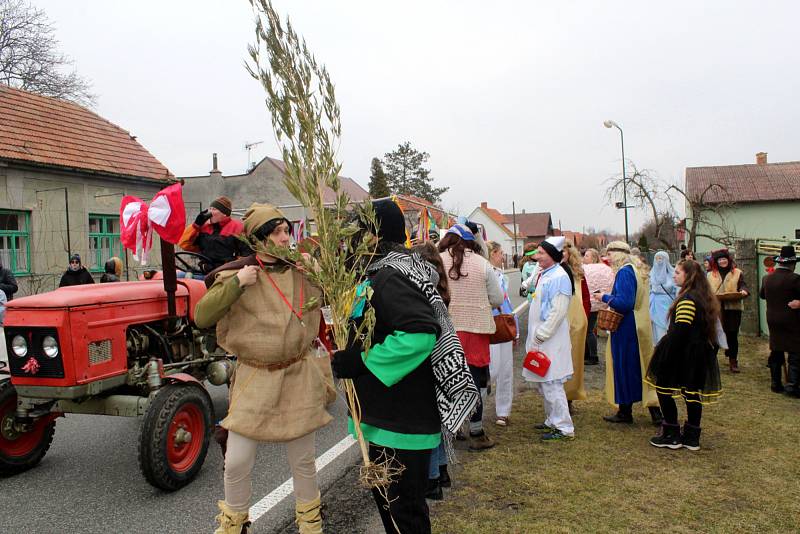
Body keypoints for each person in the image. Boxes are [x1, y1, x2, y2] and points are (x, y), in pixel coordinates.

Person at [333, 200, 478, 534]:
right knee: (396, 513)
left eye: (358, 231)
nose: (351, 240)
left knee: (404, 517)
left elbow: (419, 334)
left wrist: (363, 362)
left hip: (400, 421)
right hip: (389, 417)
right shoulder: (382, 272)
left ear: (374, 235)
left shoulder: (390, 276)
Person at [195, 203, 333, 534]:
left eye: (287, 230)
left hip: (297, 373)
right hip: (255, 375)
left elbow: (335, 296)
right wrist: (236, 284)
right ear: (259, 239)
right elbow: (202, 316)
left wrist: (320, 270)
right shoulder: (236, 275)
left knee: (303, 460)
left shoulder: (301, 270)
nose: (286, 238)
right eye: (278, 232)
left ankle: (310, 527)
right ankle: (234, 526)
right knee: (238, 460)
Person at [645, 259, 722, 451]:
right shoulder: (702, 296)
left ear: (689, 276)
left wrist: (666, 354)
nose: (674, 275)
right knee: (692, 392)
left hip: (685, 352)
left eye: (678, 272)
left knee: (663, 388)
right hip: (698, 352)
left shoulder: (688, 300)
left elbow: (681, 331)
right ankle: (691, 437)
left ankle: (672, 434)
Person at [439, 224, 503, 451]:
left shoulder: (438, 261)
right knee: (474, 381)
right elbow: (496, 298)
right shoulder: (481, 263)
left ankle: (452, 427)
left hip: (446, 330)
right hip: (476, 330)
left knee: (448, 380)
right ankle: (476, 430)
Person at [592, 241, 661, 425]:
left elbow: (624, 303)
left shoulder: (625, 272)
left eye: (609, 253)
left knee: (625, 367)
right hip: (640, 324)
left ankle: (628, 411)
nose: (607, 258)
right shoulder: (638, 270)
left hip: (627, 327)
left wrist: (604, 297)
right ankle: (649, 411)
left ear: (617, 254)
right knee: (642, 367)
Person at [522, 236, 575, 441]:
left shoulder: (559, 277)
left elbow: (558, 311)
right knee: (543, 381)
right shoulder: (545, 273)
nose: (537, 257)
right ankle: (552, 420)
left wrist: (542, 334)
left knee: (552, 381)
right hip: (541, 338)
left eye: (542, 254)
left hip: (549, 339)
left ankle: (563, 427)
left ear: (552, 255)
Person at [411, 240, 452, 501]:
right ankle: (443, 471)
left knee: (429, 423)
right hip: (443, 353)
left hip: (428, 355)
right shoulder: (442, 286)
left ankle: (433, 480)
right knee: (438, 420)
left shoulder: (421, 286)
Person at [759, 246, 800, 396]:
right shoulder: (795, 279)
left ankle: (775, 383)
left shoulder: (767, 278)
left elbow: (762, 295)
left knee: (776, 349)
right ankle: (792, 386)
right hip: (792, 320)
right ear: (792, 264)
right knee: (796, 353)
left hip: (772, 319)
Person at [487, 241, 517, 427]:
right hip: (489, 325)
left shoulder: (500, 274)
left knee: (506, 369)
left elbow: (507, 303)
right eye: (500, 253)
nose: (503, 256)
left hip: (504, 324)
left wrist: (515, 329)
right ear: (492, 253)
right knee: (492, 369)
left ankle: (503, 411)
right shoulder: (486, 273)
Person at [707, 249, 749, 373]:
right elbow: (706, 288)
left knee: (732, 335)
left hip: (733, 309)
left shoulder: (737, 272)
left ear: (728, 260)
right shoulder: (710, 274)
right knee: (714, 335)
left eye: (724, 259)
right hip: (716, 308)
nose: (722, 261)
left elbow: (743, 285)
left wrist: (743, 291)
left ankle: (733, 361)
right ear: (716, 262)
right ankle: (711, 361)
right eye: (720, 260)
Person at [178, 196, 244, 274]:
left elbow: (245, 255)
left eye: (214, 209)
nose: (210, 212)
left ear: (225, 213)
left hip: (226, 273)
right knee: (179, 276)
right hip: (205, 271)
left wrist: (227, 266)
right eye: (210, 209)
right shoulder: (204, 227)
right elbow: (184, 245)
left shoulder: (238, 227)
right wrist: (195, 225)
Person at [562, 239, 589, 405]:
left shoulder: (578, 272)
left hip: (576, 321)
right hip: (561, 319)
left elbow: (585, 297)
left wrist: (583, 316)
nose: (562, 254)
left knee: (573, 358)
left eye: (565, 251)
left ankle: (570, 396)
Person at [583, 248, 614, 365]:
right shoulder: (605, 270)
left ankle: (593, 356)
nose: (584, 258)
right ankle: (588, 354)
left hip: (591, 303)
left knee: (589, 330)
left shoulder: (588, 270)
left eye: (586, 256)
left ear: (593, 258)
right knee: (589, 330)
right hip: (598, 303)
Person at [649, 251, 678, 343]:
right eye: (657, 258)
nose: (659, 261)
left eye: (661, 258)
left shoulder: (673, 274)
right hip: (654, 304)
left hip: (667, 304)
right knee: (656, 329)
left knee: (667, 327)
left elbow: (677, 289)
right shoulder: (651, 274)